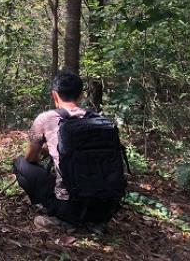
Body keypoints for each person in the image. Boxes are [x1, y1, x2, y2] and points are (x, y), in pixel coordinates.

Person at [12, 71, 122, 233]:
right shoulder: (99, 121)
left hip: (68, 208)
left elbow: (30, 157)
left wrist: (46, 150)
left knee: (20, 163)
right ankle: (94, 221)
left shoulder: (46, 118)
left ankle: (61, 218)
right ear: (81, 95)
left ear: (54, 95)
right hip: (105, 208)